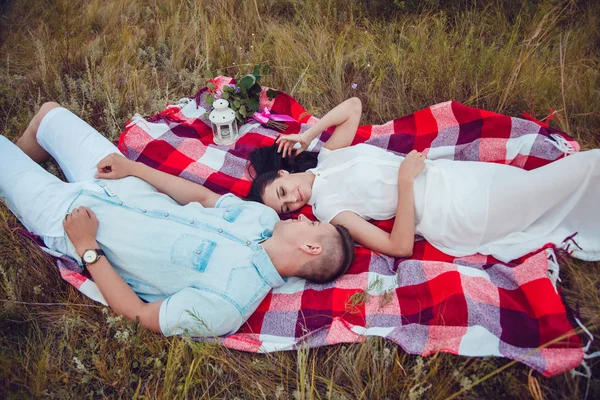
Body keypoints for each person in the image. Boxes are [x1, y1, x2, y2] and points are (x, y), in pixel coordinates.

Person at [0, 102, 355, 337]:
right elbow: (201, 197)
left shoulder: (227, 304)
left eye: (312, 224)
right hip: (121, 181)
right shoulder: (261, 217)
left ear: (310, 247)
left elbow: (138, 313)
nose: (305, 218)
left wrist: (87, 248)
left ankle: (15, 171)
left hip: (73, 220)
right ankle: (19, 163)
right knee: (49, 114)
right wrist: (132, 167)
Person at [247, 97, 600, 263]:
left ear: (284, 172)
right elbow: (399, 247)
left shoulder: (329, 154)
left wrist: (309, 135)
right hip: (451, 210)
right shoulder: (330, 212)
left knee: (548, 189)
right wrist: (404, 182)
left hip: (458, 177)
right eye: (287, 207)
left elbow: (353, 106)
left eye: (283, 191)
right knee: (564, 182)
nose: (293, 200)